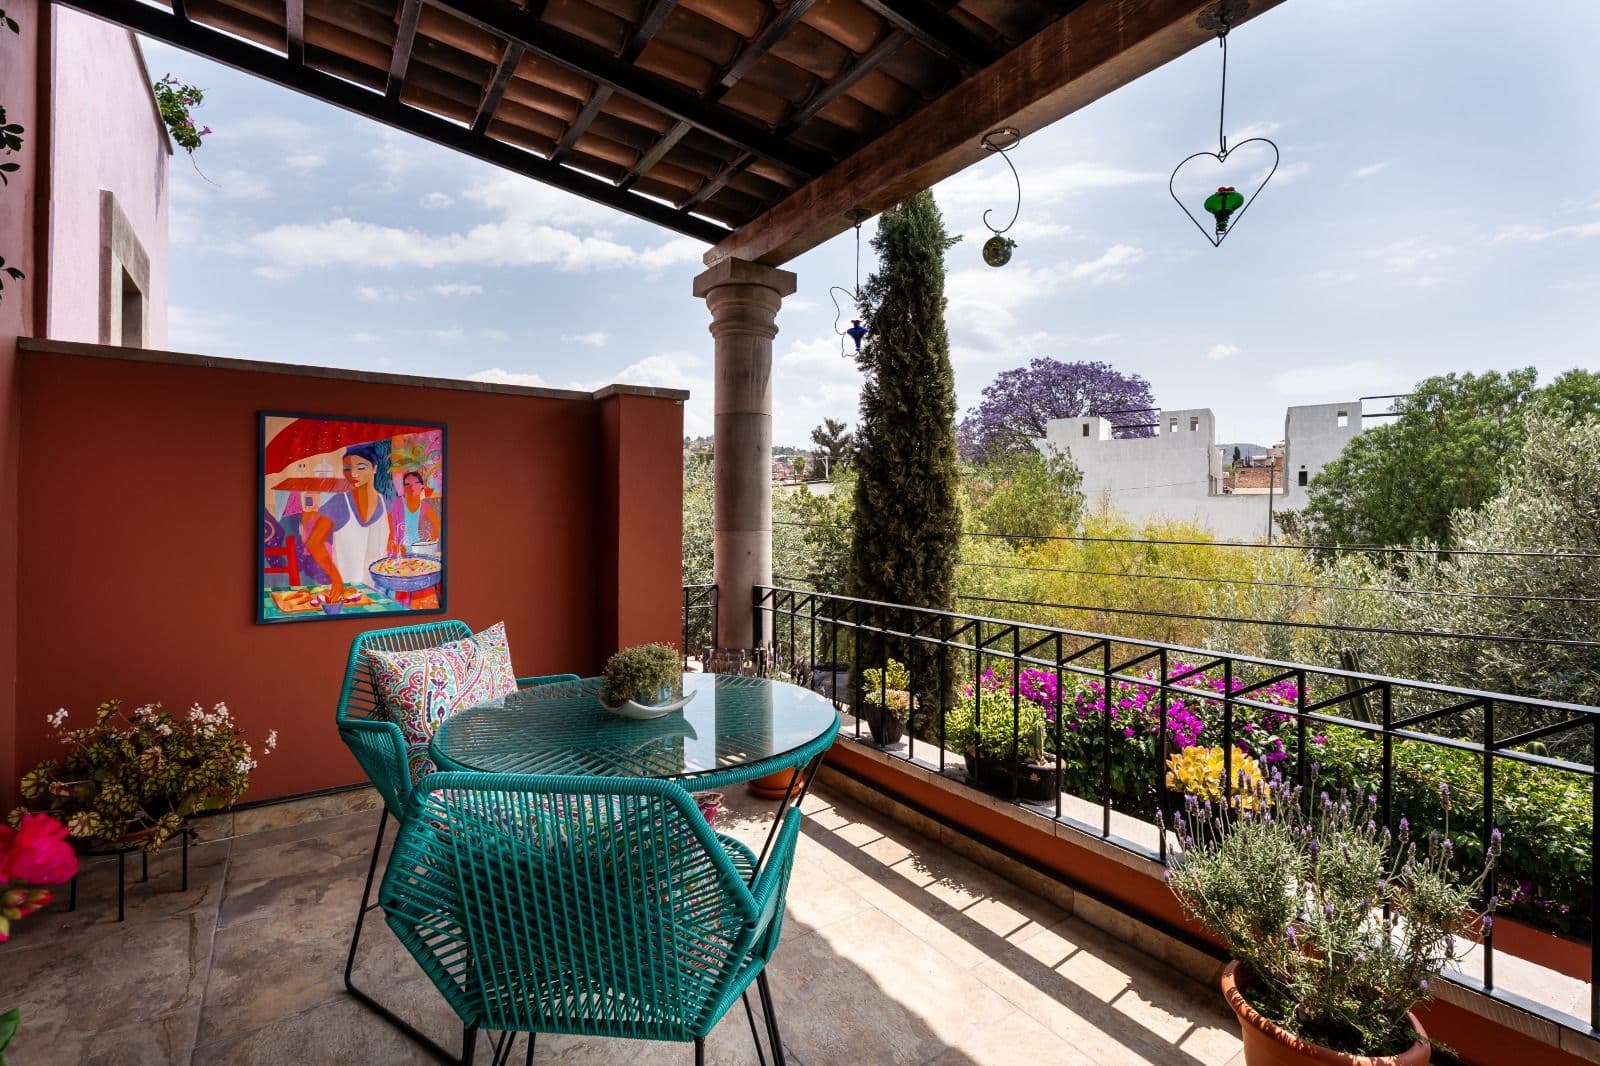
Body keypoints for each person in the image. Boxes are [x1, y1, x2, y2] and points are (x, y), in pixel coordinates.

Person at [302, 444, 391, 606]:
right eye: (347, 468)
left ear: (375, 468)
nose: (353, 474)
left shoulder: (385, 503)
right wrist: (336, 578)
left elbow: (388, 541)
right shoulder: (339, 503)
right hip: (347, 591)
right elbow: (313, 543)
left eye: (361, 467)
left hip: (379, 592)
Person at [388, 470, 439, 553]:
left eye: (416, 483)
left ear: (422, 486)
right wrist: (395, 544)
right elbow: (390, 527)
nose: (412, 487)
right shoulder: (397, 504)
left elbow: (436, 522)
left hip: (417, 547)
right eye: (407, 484)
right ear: (403, 487)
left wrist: (433, 538)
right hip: (399, 549)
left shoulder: (424, 506)